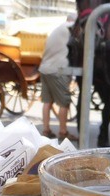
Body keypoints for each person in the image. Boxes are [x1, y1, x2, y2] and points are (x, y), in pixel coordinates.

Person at [39, 14, 78, 143]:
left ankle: (46, 130)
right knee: (64, 102)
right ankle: (63, 131)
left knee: (47, 101)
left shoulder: (57, 28)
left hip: (44, 68)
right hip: (58, 70)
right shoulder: (72, 27)